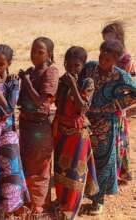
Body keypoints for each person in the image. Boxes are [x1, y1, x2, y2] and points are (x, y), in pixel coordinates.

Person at [79, 39, 136, 215]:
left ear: (116, 60)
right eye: (101, 56)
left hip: (106, 126)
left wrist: (117, 105)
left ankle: (98, 201)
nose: (103, 61)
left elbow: (134, 93)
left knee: (103, 162)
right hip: (86, 122)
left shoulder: (120, 76)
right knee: (84, 159)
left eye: (108, 59)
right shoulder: (89, 67)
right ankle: (81, 196)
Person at [0, 44, 30, 220]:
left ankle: (9, 208)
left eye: (1, 64)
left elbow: (9, 110)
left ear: (9, 63)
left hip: (7, 135)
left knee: (10, 172)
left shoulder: (13, 82)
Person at [53, 46, 98, 220]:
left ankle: (70, 210)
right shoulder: (61, 81)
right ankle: (61, 202)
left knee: (75, 173)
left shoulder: (87, 83)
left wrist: (72, 84)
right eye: (68, 65)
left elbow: (83, 107)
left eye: (76, 66)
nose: (72, 69)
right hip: (61, 130)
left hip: (78, 133)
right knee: (60, 169)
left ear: (83, 66)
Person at [18, 37, 59, 218]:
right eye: (33, 51)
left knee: (40, 166)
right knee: (26, 163)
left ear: (49, 54)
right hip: (26, 125)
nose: (35, 55)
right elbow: (20, 101)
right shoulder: (32, 72)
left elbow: (42, 103)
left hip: (39, 127)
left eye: (40, 52)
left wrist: (26, 82)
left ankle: (39, 205)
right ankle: (28, 201)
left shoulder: (51, 72)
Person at [102, 21, 135, 183]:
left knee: (118, 138)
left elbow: (125, 85)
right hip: (107, 103)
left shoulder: (126, 59)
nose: (106, 42)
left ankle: (120, 172)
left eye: (109, 38)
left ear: (118, 38)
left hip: (118, 105)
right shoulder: (108, 56)